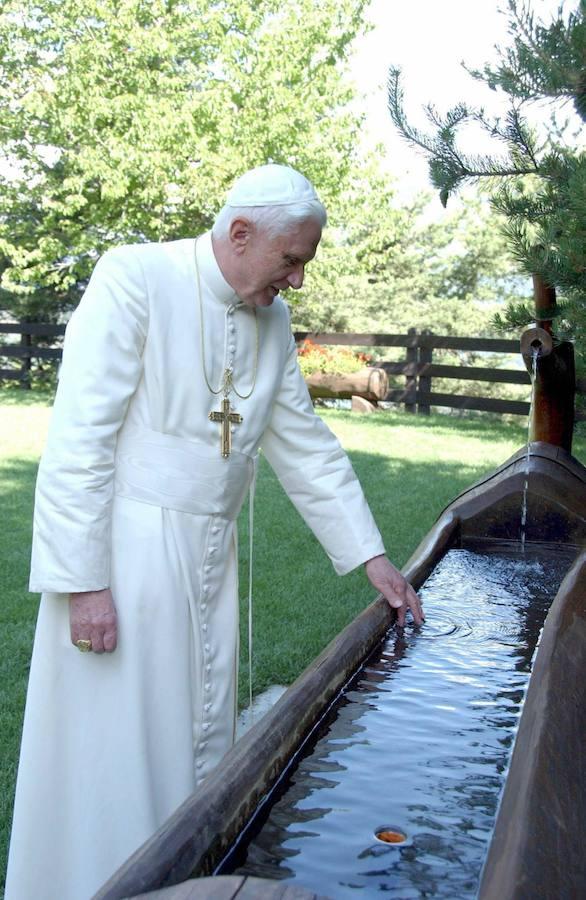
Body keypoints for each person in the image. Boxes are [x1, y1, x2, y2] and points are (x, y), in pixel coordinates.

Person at [5, 164, 423, 900]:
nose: (297, 279)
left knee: (194, 743)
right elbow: (78, 441)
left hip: (208, 560)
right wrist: (84, 585)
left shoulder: (274, 322)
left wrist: (373, 557)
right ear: (239, 232)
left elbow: (305, 445)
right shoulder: (134, 278)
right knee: (115, 748)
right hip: (126, 561)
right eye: (290, 259)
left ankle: (186, 883)